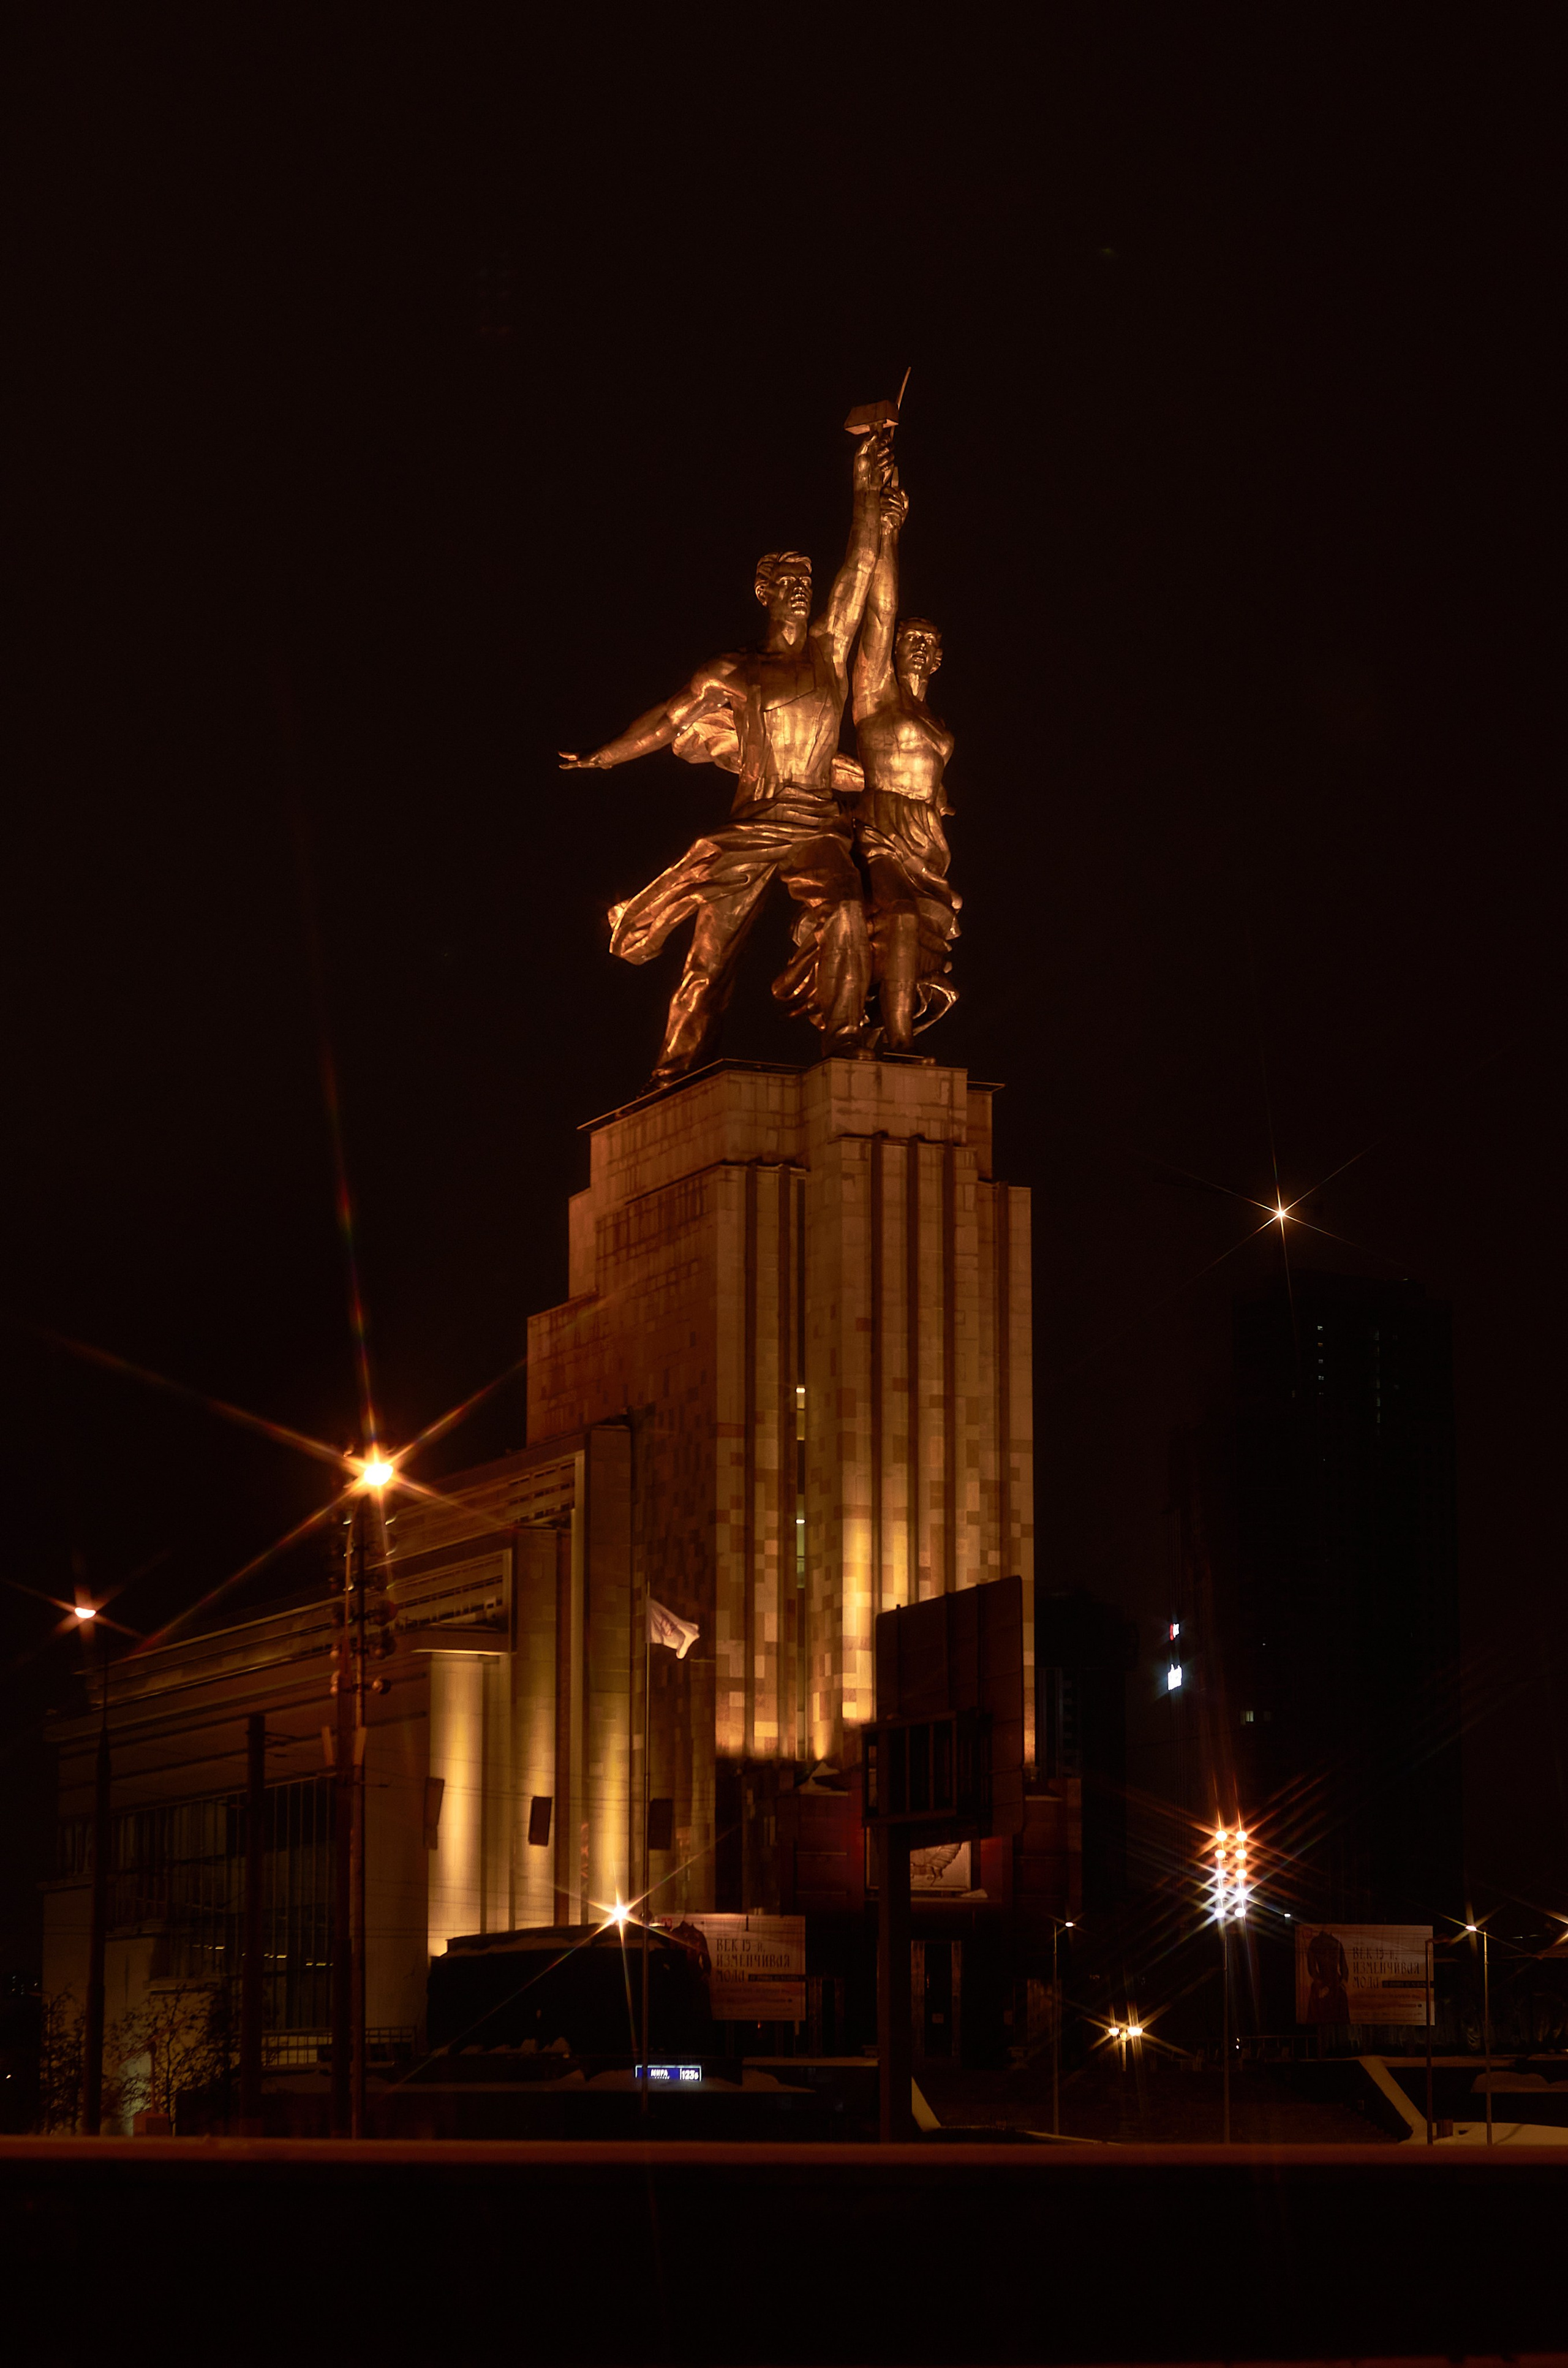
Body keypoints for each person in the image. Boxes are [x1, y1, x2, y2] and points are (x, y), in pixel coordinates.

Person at [559, 428, 894, 1088]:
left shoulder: (828, 654)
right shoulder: (733, 671)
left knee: (847, 909)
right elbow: (665, 718)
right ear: (764, 591)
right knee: (709, 957)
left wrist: (865, 485)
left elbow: (857, 567)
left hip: (814, 820)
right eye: (788, 582)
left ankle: (846, 1035)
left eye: (806, 581)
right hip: (754, 823)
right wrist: (606, 756)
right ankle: (675, 1069)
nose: (801, 590)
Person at [847, 482, 960, 1053]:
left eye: (928, 643)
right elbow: (881, 609)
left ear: (937, 659)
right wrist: (889, 531)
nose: (916, 647)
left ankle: (878, 1021)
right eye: (909, 640)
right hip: (882, 831)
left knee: (917, 938)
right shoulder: (875, 698)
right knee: (901, 919)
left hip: (928, 842)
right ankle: (899, 1040)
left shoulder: (942, 728)